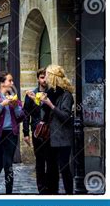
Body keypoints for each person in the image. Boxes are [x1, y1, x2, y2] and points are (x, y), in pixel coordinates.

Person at [38, 64, 75, 194]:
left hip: (62, 138)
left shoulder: (66, 95)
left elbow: (65, 116)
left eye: (47, 74)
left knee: (64, 169)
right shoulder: (49, 93)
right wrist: (38, 101)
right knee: (51, 168)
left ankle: (70, 195)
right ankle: (52, 195)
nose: (46, 77)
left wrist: (50, 104)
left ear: (53, 77)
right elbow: (45, 116)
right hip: (49, 137)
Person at [23, 68, 57, 194]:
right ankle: (41, 188)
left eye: (45, 77)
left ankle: (49, 186)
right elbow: (26, 114)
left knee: (50, 160)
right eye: (42, 77)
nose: (44, 80)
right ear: (38, 78)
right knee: (39, 160)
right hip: (37, 131)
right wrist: (26, 133)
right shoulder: (31, 94)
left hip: (50, 131)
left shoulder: (51, 93)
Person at [0, 72, 24, 194]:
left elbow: (21, 116)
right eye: (10, 81)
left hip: (11, 133)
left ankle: (9, 194)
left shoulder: (13, 96)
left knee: (8, 164)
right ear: (3, 83)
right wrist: (1, 105)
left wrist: (15, 106)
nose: (12, 83)